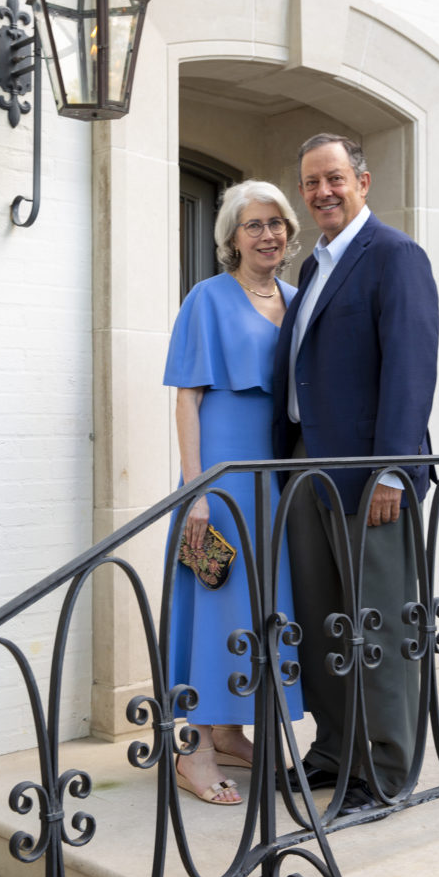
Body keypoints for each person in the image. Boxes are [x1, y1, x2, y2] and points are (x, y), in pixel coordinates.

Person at [272, 132, 439, 813]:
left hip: (369, 476)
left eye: (334, 178)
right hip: (306, 466)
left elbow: (409, 367)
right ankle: (335, 750)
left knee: (377, 625)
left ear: (361, 182)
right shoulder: (313, 268)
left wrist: (394, 473)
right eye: (311, 182)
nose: (321, 193)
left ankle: (386, 771)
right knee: (322, 620)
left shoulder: (394, 256)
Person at [164, 180, 305, 805]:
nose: (268, 233)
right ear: (231, 237)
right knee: (213, 606)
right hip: (219, 480)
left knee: (260, 609)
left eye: (276, 222)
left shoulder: (300, 301)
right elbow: (188, 398)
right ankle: (191, 748)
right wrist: (196, 489)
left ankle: (229, 729)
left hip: (274, 480)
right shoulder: (207, 298)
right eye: (254, 224)